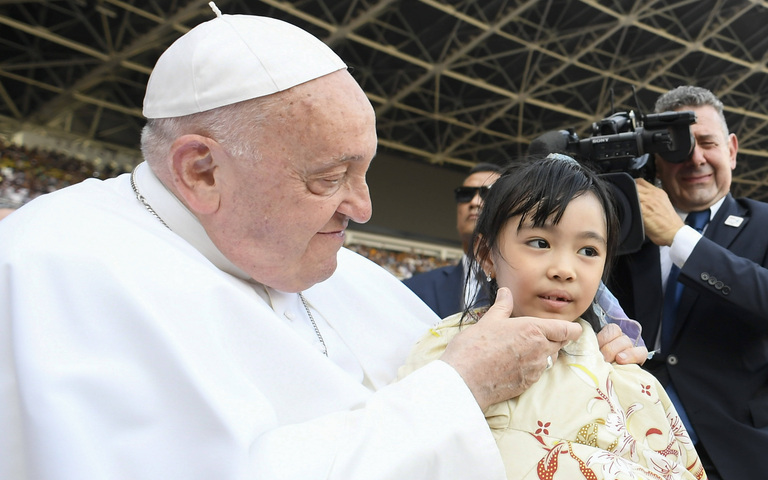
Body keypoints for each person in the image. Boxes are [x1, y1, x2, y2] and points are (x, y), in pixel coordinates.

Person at [0, 7, 647, 480]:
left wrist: (587, 360)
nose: (362, 207)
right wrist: (457, 389)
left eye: (363, 171)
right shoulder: (51, 271)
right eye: (328, 177)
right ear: (201, 171)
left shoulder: (342, 270)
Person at [399, 154, 706, 479]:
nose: (564, 270)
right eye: (539, 242)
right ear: (487, 255)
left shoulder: (630, 378)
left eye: (588, 251)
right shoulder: (443, 353)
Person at [607, 85, 768, 479]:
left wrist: (679, 238)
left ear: (731, 149)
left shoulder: (764, 223)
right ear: (656, 161)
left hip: (739, 451)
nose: (695, 158)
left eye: (708, 143)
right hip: (637, 447)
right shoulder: (628, 236)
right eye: (679, 147)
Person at [403, 162, 501, 317]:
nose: (474, 202)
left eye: (488, 193)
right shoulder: (412, 290)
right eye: (465, 194)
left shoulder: (534, 289)